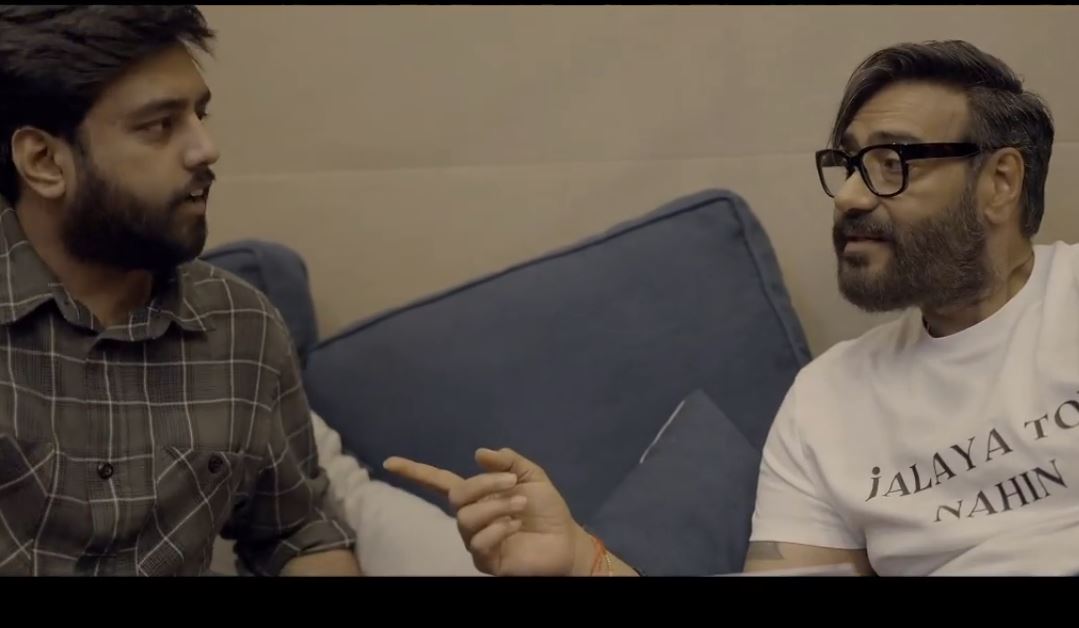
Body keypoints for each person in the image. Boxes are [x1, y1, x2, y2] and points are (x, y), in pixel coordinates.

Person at [386, 39, 1072, 576]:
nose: (848, 196)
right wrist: (581, 562)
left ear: (1000, 181)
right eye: (848, 164)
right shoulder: (828, 400)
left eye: (891, 162)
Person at [0, 5, 360, 576]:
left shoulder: (242, 327)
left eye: (200, 114)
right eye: (159, 126)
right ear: (44, 161)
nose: (205, 148)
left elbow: (296, 533)